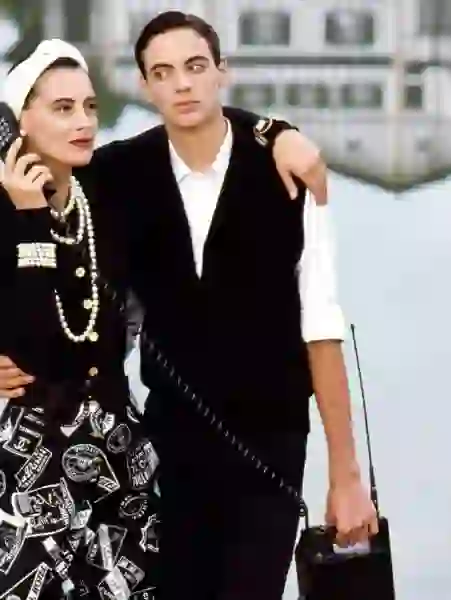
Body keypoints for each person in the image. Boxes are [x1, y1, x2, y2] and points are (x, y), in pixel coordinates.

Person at [0, 10, 378, 600]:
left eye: (196, 67)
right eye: (163, 72)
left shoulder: (286, 173)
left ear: (222, 71)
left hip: (267, 447)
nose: (182, 84)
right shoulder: (118, 172)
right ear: (144, 85)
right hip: (167, 450)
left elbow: (322, 326)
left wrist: (346, 475)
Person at [0, 39, 161, 598]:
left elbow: (189, 125)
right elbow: (37, 344)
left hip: (119, 443)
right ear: (19, 122)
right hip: (32, 448)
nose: (84, 122)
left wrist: (272, 130)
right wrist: (29, 220)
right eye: (63, 108)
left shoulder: (106, 190)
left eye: (90, 107)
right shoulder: (6, 213)